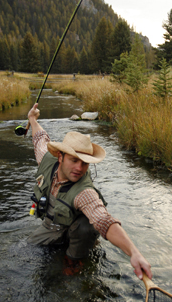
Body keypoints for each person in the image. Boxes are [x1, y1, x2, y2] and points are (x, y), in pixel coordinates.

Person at [27, 103, 152, 280]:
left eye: (85, 163)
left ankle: (74, 261)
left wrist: (134, 253)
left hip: (77, 231)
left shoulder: (84, 192)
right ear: (60, 157)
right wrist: (32, 119)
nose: (80, 168)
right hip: (51, 225)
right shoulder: (46, 159)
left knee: (86, 225)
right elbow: (40, 138)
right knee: (27, 250)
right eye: (74, 160)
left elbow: (104, 220)